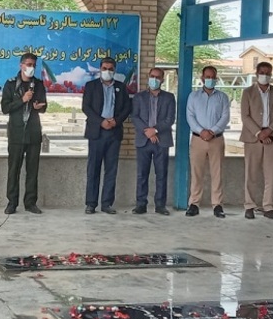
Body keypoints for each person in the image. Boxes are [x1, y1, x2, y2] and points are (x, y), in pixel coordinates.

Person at [82, 57, 132, 214]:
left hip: (114, 133)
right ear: (100, 69)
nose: (107, 71)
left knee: (111, 170)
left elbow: (127, 108)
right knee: (93, 169)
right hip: (97, 132)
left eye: (110, 69)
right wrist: (101, 121)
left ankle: (107, 204)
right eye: (104, 68)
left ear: (114, 70)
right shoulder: (91, 86)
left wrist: (116, 121)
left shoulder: (121, 87)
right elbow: (86, 107)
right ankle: (91, 204)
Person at [240, 61, 273, 220]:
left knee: (270, 175)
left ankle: (268, 207)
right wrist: (259, 133)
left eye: (268, 73)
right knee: (251, 174)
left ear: (271, 75)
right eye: (262, 72)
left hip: (272, 137)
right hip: (253, 138)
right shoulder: (248, 92)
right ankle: (249, 206)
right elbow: (245, 116)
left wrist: (269, 131)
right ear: (256, 74)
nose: (265, 76)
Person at [1, 53, 47, 215]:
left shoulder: (38, 84)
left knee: (32, 171)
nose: (31, 68)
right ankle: (12, 203)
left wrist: (39, 107)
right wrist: (22, 100)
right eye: (28, 64)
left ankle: (30, 203)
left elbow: (44, 106)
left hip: (33, 133)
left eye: (33, 65)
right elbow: (5, 108)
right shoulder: (11, 84)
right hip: (16, 133)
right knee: (14, 170)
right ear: (21, 65)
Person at [185, 66, 230, 218]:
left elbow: (225, 117)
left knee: (217, 173)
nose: (210, 79)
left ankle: (217, 205)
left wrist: (212, 131)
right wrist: (201, 131)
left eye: (212, 77)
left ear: (216, 79)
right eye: (207, 77)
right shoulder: (193, 96)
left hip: (216, 139)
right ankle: (194, 204)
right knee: (196, 172)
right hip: (198, 139)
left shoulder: (222, 97)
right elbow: (190, 116)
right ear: (202, 78)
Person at [131, 67, 175, 215]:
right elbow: (135, 117)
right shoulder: (139, 97)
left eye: (157, 77)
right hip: (143, 140)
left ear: (162, 80)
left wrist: (155, 130)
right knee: (141, 174)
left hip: (162, 140)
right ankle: (141, 204)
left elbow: (170, 119)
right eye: (152, 76)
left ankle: (160, 205)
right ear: (148, 77)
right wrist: (147, 131)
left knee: (161, 174)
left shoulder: (169, 97)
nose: (154, 79)